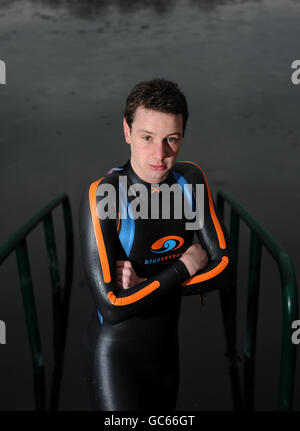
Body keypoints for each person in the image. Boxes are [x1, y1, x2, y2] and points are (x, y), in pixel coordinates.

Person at [79, 78, 232, 411]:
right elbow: (113, 307)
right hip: (115, 358)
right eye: (147, 138)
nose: (159, 155)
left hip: (166, 353)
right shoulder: (105, 197)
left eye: (171, 140)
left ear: (182, 137)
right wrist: (183, 267)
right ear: (126, 131)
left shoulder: (190, 181)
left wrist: (149, 285)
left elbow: (225, 269)